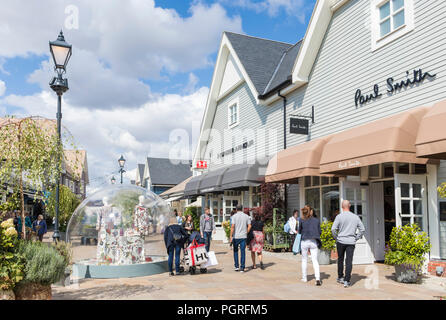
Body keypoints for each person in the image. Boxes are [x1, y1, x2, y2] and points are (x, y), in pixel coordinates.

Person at [331, 200, 365, 288]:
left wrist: (336, 238)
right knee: (349, 261)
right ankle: (347, 280)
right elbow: (362, 229)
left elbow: (333, 229)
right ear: (349, 206)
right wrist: (356, 238)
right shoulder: (355, 217)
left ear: (342, 206)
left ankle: (340, 277)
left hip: (341, 241)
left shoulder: (339, 217)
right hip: (351, 241)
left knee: (340, 259)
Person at [299, 206, 322, 286]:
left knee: (304, 259)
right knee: (315, 260)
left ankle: (304, 278)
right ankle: (318, 278)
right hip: (313, 241)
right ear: (310, 211)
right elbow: (320, 232)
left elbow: (299, 231)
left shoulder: (301, 220)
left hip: (304, 241)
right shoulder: (316, 220)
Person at [230, 205, 251, 272]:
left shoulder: (234, 216)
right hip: (243, 236)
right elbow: (249, 226)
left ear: (236, 209)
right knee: (243, 252)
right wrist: (246, 232)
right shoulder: (246, 216)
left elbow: (233, 226)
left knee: (235, 251)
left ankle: (236, 266)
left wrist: (230, 236)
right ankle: (242, 267)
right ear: (242, 209)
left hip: (236, 236)